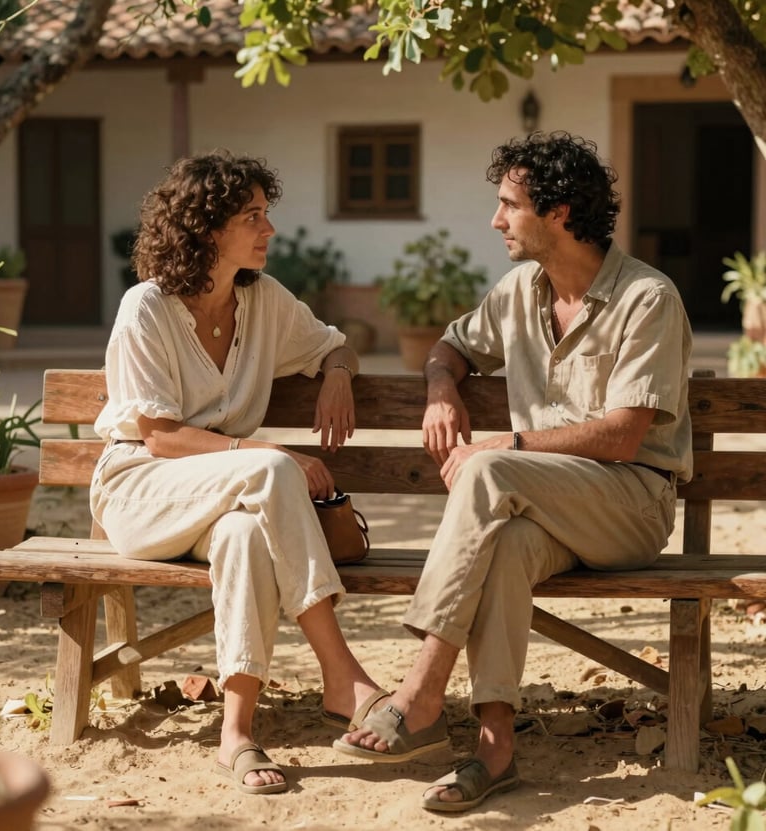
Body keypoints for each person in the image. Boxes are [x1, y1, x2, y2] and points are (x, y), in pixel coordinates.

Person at [334, 131, 693, 812]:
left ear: (558, 213)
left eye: (509, 205)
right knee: (502, 542)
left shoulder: (648, 298)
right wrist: (442, 390)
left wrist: (510, 442)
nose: (496, 220)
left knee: (490, 471)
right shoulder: (519, 291)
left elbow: (622, 437)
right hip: (542, 511)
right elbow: (449, 346)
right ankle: (494, 750)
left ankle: (419, 692)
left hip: (631, 504)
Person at [90, 151, 387, 796]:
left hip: (224, 498)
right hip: (140, 488)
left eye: (266, 214)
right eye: (252, 216)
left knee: (246, 538)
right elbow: (161, 436)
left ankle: (238, 733)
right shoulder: (146, 309)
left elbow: (338, 341)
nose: (269, 230)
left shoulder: (265, 301)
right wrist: (269, 457)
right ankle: (343, 674)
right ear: (206, 228)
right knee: (272, 468)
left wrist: (337, 374)